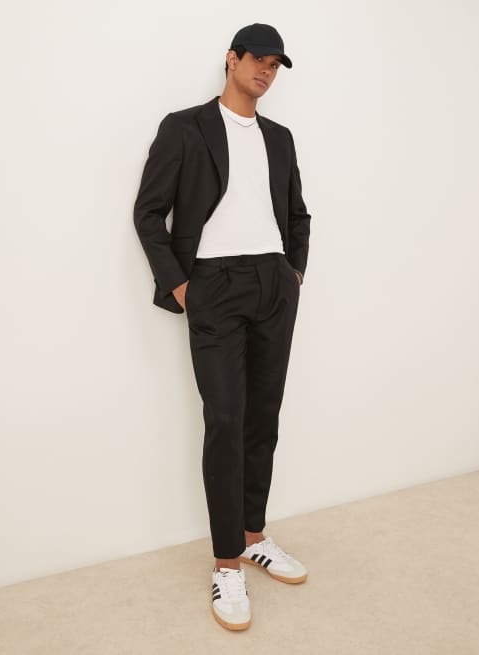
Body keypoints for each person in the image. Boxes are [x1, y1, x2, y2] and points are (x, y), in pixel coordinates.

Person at [133, 22, 312, 631]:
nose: (266, 71)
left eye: (276, 65)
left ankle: (254, 535)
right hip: (213, 283)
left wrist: (293, 273)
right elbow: (148, 212)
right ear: (231, 59)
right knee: (226, 421)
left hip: (272, 283)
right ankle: (226, 563)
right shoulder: (185, 127)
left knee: (263, 416)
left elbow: (298, 214)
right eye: (258, 59)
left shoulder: (280, 138)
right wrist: (182, 285)